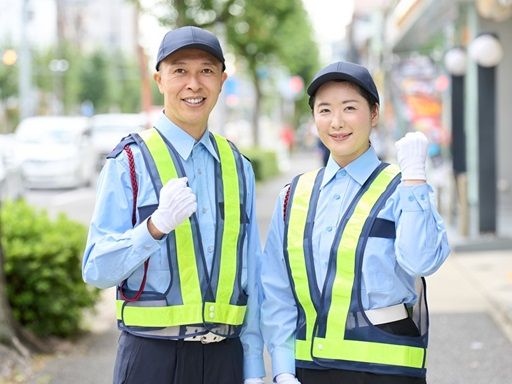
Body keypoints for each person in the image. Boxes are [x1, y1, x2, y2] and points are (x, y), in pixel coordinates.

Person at [82, 26, 265, 384]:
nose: (193, 84)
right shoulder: (130, 162)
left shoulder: (238, 166)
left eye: (206, 71)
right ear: (159, 79)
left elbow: (252, 274)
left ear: (222, 80)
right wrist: (154, 228)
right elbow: (96, 269)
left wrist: (255, 366)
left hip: (225, 360)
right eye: (180, 70)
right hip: (151, 359)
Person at [260, 61, 450, 384]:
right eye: (324, 110)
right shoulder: (294, 195)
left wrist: (416, 180)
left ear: (374, 113)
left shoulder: (402, 188)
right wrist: (281, 369)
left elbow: (421, 260)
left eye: (349, 108)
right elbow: (277, 291)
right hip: (308, 372)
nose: (336, 122)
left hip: (388, 373)